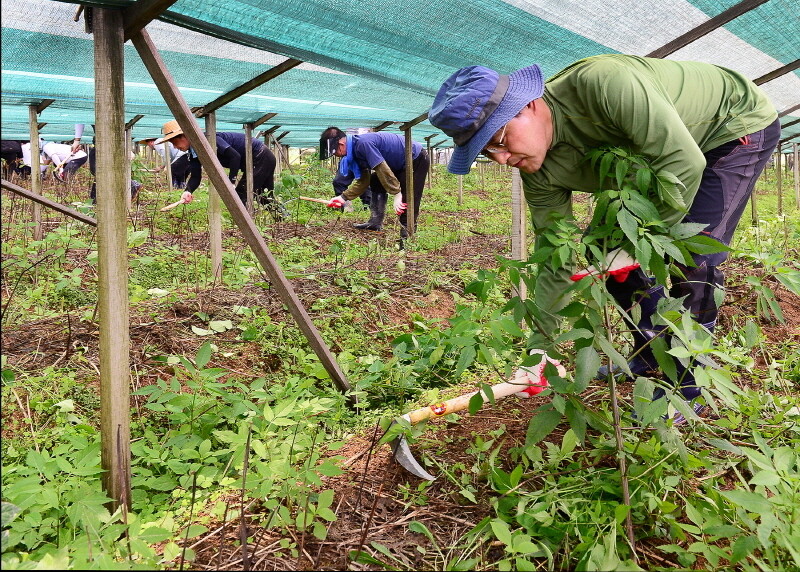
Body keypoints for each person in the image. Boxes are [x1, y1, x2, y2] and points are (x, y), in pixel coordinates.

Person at [428, 55, 779, 420]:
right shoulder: (537, 172)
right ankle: (651, 351)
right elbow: (554, 255)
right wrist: (541, 349)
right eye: (486, 152)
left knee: (691, 252)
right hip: (658, 158)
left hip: (730, 126)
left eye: (499, 139)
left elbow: (682, 162)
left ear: (528, 105)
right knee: (601, 249)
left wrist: (637, 246)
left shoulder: (603, 84)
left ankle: (692, 384)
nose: (500, 159)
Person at [156, 120, 283, 216]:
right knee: (263, 195)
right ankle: (283, 218)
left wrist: (231, 181)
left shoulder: (209, 140)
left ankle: (247, 230)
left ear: (184, 136)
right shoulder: (194, 152)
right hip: (259, 159)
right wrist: (188, 191)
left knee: (241, 195)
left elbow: (235, 156)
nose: (175, 147)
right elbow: (195, 176)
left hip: (260, 156)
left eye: (174, 142)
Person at [319, 126, 428, 237]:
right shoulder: (354, 151)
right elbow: (363, 182)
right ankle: (375, 222)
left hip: (415, 158)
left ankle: (407, 237)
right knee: (375, 182)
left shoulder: (363, 144)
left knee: (408, 198)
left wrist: (397, 193)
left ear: (341, 144)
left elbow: (382, 168)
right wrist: (342, 198)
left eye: (334, 152)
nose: (335, 155)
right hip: (398, 163)